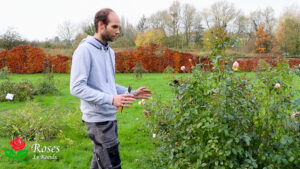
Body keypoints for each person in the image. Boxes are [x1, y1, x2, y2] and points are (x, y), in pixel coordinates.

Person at [70, 8, 152, 169]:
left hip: (109, 118)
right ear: (101, 25)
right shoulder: (84, 50)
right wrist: (112, 99)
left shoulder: (110, 52)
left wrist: (131, 94)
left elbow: (107, 85)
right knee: (113, 165)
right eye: (114, 27)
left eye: (118, 27)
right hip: (97, 121)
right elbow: (76, 87)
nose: (118, 31)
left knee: (100, 163)